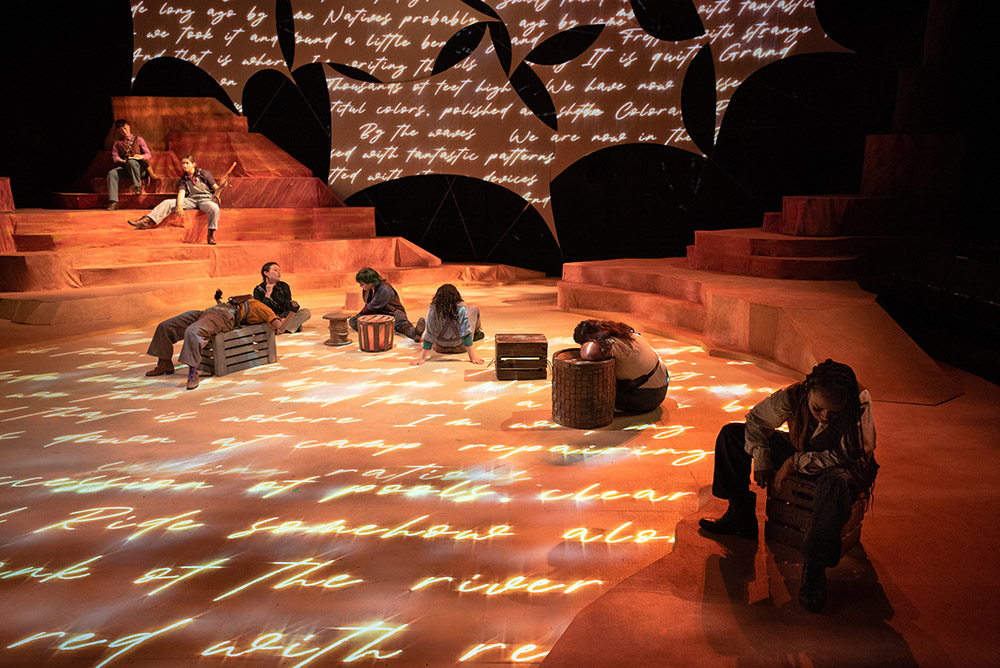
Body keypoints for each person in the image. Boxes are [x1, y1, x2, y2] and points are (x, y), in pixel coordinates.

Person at [698, 359, 879, 613]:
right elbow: (756, 420)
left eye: (833, 413)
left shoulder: (859, 401)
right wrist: (762, 457)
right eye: (817, 409)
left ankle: (815, 567)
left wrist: (794, 462)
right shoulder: (795, 393)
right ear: (808, 393)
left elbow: (853, 452)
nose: (825, 417)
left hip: (842, 464)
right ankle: (740, 514)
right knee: (731, 435)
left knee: (835, 482)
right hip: (806, 451)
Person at [145, 291, 293, 390]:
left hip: (223, 317)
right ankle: (164, 363)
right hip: (207, 312)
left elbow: (280, 328)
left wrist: (291, 314)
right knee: (165, 326)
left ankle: (193, 371)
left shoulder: (264, 308)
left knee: (193, 331)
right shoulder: (245, 298)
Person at [574, 319, 669, 413]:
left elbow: (590, 353)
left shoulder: (614, 344)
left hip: (645, 398)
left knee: (585, 398)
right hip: (661, 387)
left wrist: (586, 344)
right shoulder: (630, 335)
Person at [127, 155, 221, 244]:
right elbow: (182, 192)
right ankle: (146, 220)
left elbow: (216, 189)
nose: (184, 165)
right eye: (183, 163)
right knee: (168, 202)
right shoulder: (184, 179)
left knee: (214, 208)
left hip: (205, 200)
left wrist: (221, 187)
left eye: (187, 163)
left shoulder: (205, 174)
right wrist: (179, 205)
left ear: (193, 164)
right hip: (191, 200)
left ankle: (210, 235)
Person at [410, 283, 485, 366]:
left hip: (440, 347)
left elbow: (430, 333)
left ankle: (419, 336)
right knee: (473, 309)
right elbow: (465, 333)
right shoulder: (461, 307)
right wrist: (473, 357)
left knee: (430, 330)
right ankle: (477, 333)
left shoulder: (433, 308)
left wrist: (422, 358)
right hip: (461, 347)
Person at [348, 267, 422, 342]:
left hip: (392, 313)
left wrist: (361, 314)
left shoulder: (384, 289)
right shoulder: (369, 289)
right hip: (378, 313)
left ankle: (415, 333)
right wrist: (359, 316)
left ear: (370, 282)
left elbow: (371, 306)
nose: (361, 286)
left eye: (362, 284)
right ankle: (382, 328)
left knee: (401, 324)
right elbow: (368, 305)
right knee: (353, 321)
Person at [253, 262, 311, 334]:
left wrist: (292, 307)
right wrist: (268, 294)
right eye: (275, 270)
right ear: (266, 273)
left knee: (305, 312)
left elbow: (287, 306)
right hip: (270, 318)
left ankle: (280, 329)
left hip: (283, 317)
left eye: (279, 271)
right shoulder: (258, 289)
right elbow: (261, 310)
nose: (279, 273)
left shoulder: (284, 286)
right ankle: (289, 327)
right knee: (262, 323)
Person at [106, 119, 151, 211]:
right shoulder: (117, 143)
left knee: (132, 162)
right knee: (112, 173)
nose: (124, 131)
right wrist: (124, 161)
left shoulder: (138, 139)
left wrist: (140, 156)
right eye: (121, 130)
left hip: (140, 170)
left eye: (125, 128)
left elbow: (148, 155)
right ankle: (114, 202)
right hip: (127, 169)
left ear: (129, 127)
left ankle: (137, 186)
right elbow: (115, 158)